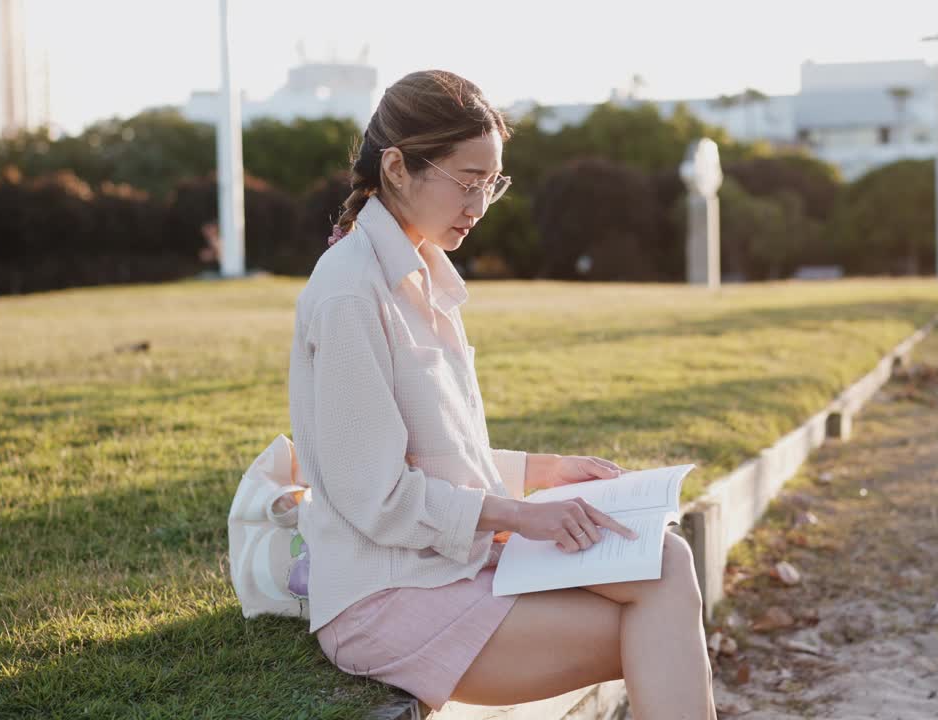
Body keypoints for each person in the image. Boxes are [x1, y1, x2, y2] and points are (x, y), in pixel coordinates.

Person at [287, 69, 716, 718]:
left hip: (453, 563)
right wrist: (521, 515)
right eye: (468, 180)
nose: (480, 204)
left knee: (666, 560)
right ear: (398, 168)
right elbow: (375, 496)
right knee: (659, 618)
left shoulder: (423, 270)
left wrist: (543, 473)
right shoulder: (351, 289)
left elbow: (434, 454)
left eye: (492, 183)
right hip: (388, 595)